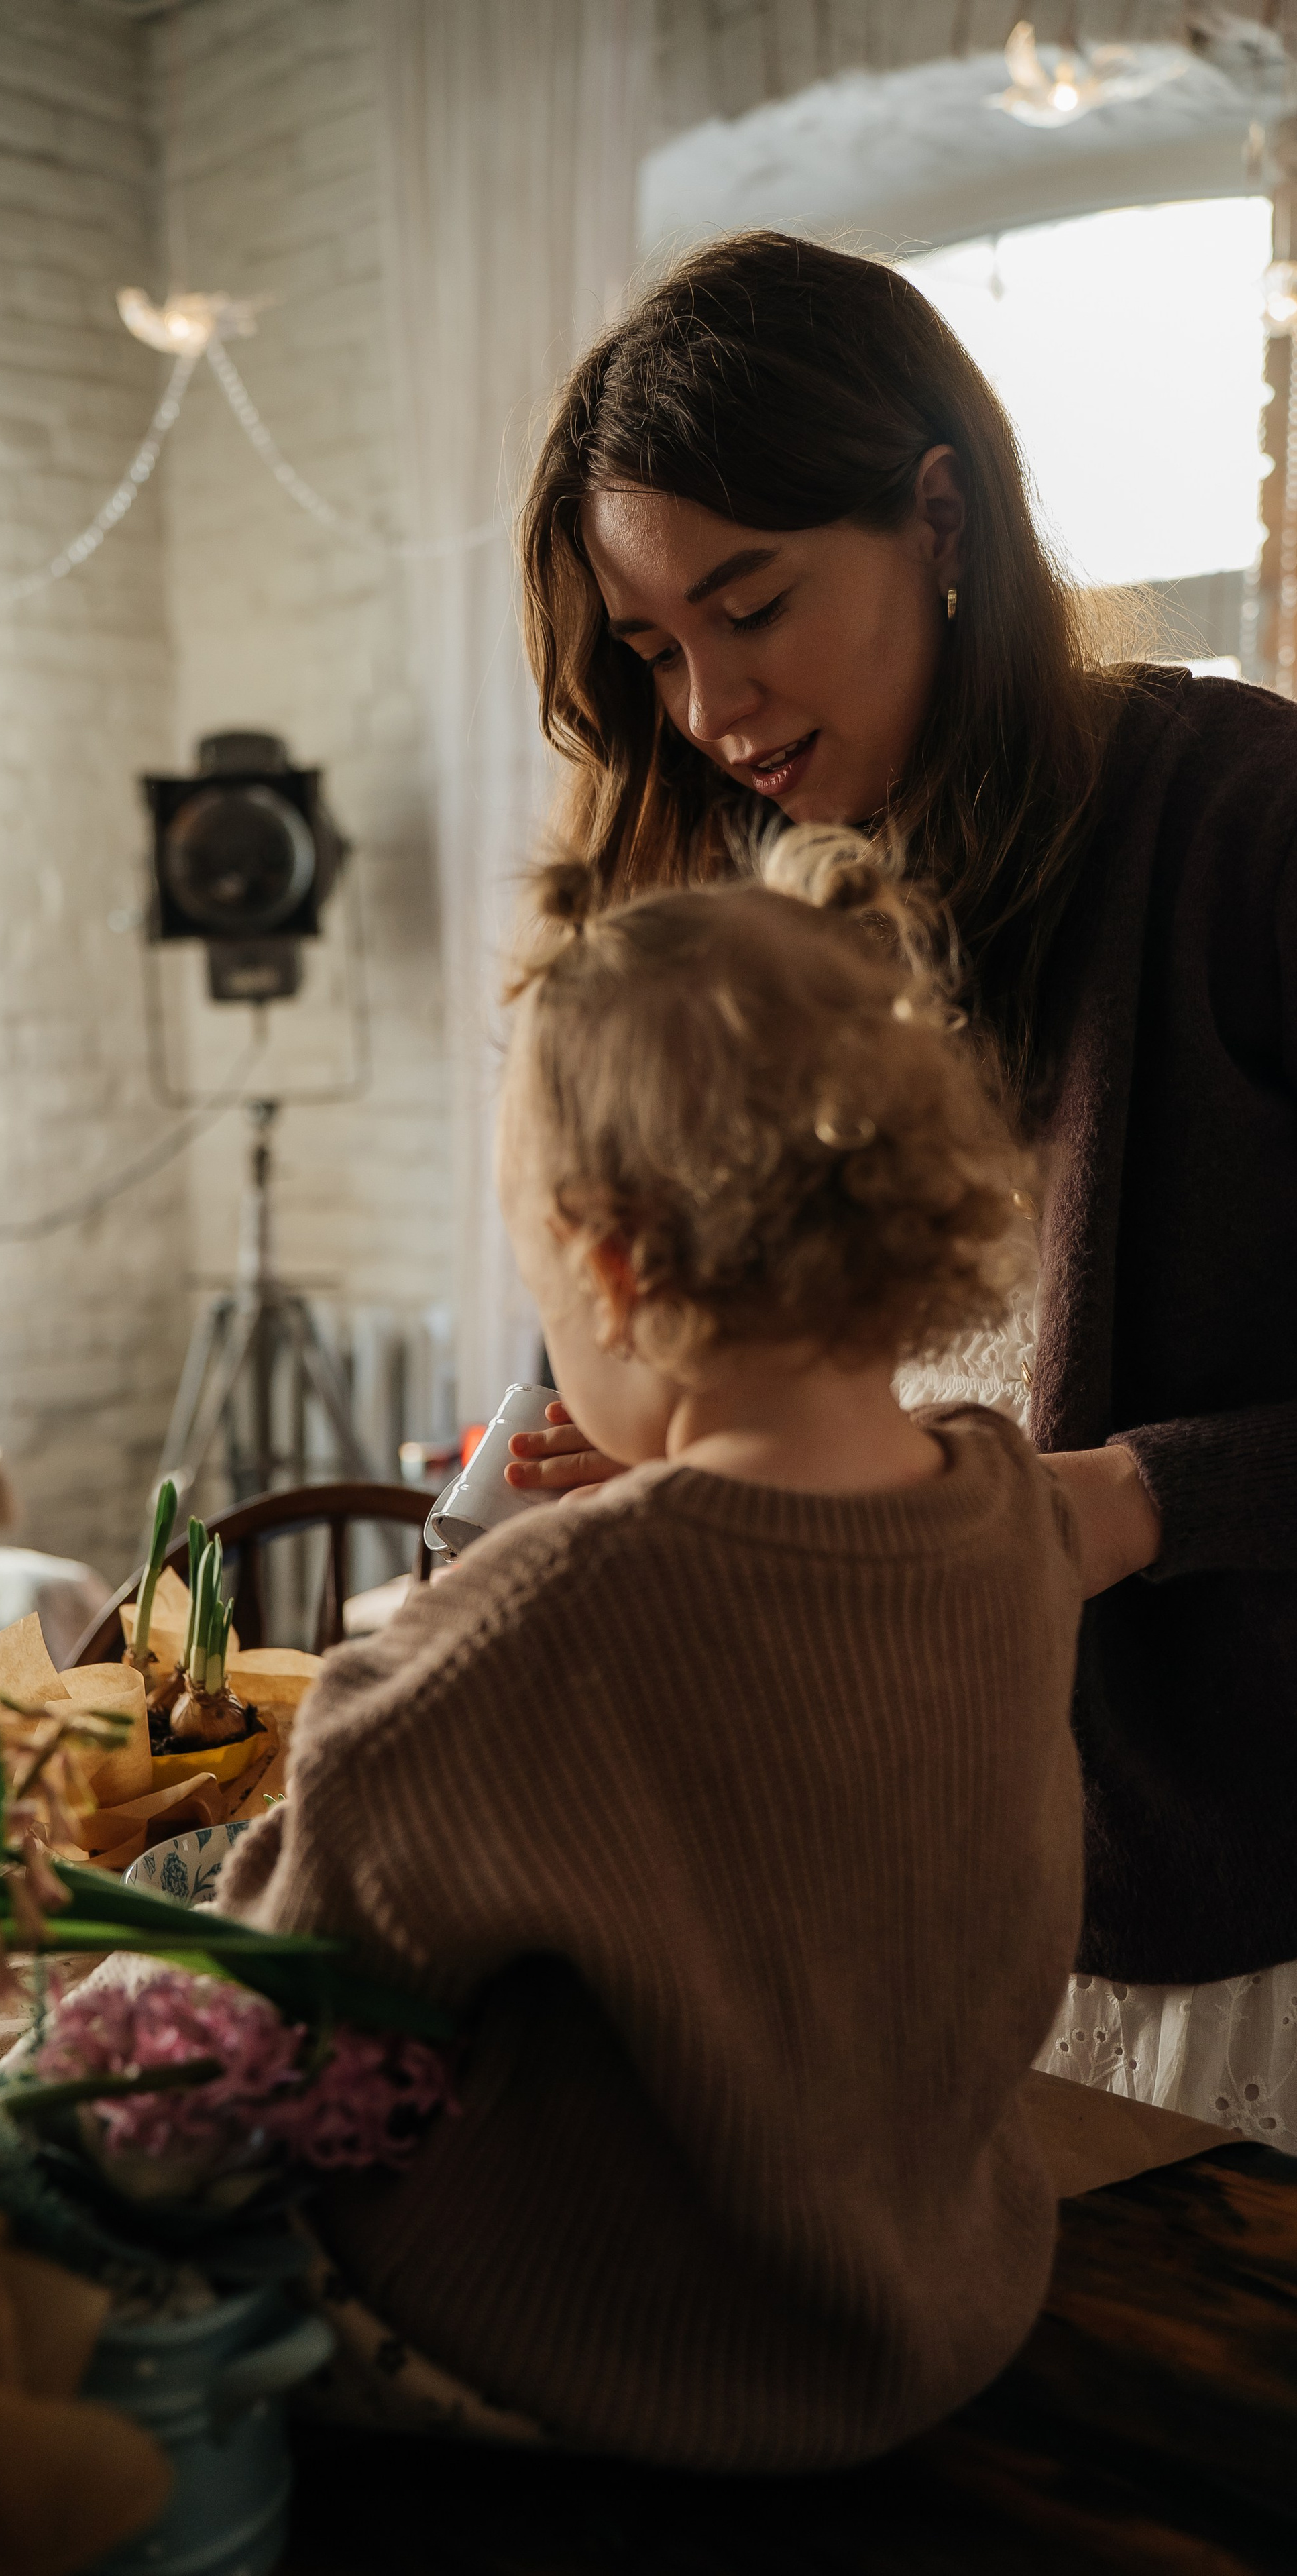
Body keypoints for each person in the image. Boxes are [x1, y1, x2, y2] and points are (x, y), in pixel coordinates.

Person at [506, 230, 1297, 2145]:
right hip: (871, 1900)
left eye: (752, 605)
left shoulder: (1245, 825)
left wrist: (1127, 1504)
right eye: (650, 652)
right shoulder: (735, 914)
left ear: (940, 516)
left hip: (1226, 1919)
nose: (709, 708)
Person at [217, 835, 1084, 2469]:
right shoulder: (1001, 1508)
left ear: (612, 1268)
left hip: (609, 2354)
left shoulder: (562, 1613)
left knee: (111, 2273)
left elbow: (303, 1946)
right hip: (939, 2301)